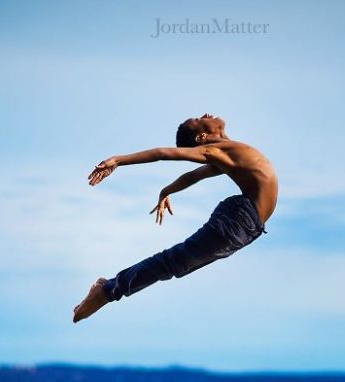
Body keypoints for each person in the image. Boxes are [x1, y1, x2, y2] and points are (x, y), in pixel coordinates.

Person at [73, 114, 278, 323]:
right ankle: (107, 291)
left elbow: (192, 176)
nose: (205, 115)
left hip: (248, 225)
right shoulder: (216, 150)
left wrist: (165, 191)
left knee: (180, 265)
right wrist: (118, 160)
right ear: (202, 137)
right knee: (172, 263)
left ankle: (109, 290)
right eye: (198, 120)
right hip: (240, 220)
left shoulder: (229, 152)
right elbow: (163, 153)